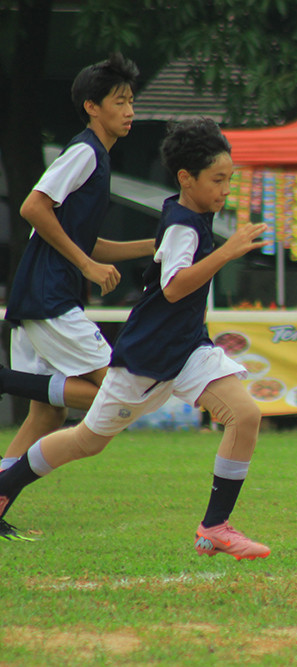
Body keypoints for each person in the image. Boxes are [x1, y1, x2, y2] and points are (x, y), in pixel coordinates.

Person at [0, 118, 272, 560]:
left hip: (186, 348)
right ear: (187, 178)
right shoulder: (184, 224)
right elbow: (174, 286)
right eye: (218, 179)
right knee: (87, 440)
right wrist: (228, 251)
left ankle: (214, 528)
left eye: (230, 179)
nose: (226, 189)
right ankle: (4, 485)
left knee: (245, 415)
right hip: (148, 356)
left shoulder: (194, 216)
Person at [0, 53, 156, 540]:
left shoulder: (98, 157)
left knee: (47, 414)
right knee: (122, 393)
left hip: (41, 297)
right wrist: (86, 265)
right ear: (93, 107)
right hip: (51, 299)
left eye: (132, 101)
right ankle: (5, 380)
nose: (129, 110)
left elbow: (91, 242)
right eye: (119, 101)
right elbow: (32, 206)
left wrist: (159, 244)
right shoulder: (86, 152)